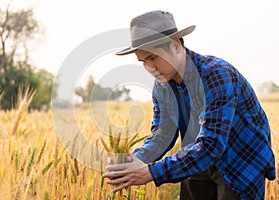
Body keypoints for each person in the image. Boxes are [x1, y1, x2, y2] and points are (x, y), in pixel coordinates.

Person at [103, 10, 276, 200]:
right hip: (195, 158)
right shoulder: (162, 85)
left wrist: (149, 172)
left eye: (153, 58)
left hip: (239, 160)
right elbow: (162, 134)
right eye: (143, 61)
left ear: (176, 46)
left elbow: (212, 146)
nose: (149, 68)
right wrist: (137, 159)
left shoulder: (217, 75)